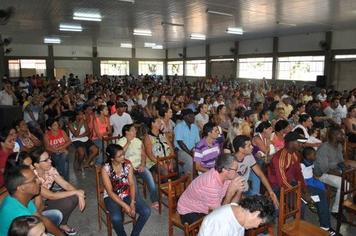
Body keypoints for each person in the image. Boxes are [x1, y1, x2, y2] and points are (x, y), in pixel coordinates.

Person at [30, 147, 85, 235]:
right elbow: (51, 195)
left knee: (74, 198)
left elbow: (65, 184)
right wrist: (77, 192)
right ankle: (49, 226)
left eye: (49, 158)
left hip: (46, 202)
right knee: (70, 197)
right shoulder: (32, 177)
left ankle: (62, 224)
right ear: (36, 164)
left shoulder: (50, 169)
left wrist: (79, 195)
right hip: (36, 209)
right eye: (46, 160)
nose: (50, 161)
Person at [177, 154, 245, 224]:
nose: (237, 173)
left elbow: (232, 205)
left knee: (236, 216)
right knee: (220, 224)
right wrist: (230, 193)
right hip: (189, 211)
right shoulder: (211, 185)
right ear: (225, 170)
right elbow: (219, 215)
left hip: (208, 206)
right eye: (235, 170)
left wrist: (239, 191)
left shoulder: (226, 176)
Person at [101, 144, 151, 236]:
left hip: (127, 193)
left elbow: (131, 183)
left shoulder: (127, 164)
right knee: (116, 218)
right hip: (112, 197)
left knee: (146, 211)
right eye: (119, 156)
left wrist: (132, 202)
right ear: (112, 158)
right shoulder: (106, 169)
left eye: (123, 154)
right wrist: (125, 206)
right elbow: (110, 192)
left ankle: (134, 234)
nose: (123, 157)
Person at [0, 165, 64, 236]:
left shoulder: (20, 198)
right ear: (22, 188)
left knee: (57, 215)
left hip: (28, 229)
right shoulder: (19, 214)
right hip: (26, 231)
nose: (39, 181)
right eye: (34, 180)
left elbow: (40, 217)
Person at [116, 124, 159, 210]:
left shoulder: (138, 141)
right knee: (134, 187)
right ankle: (138, 204)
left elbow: (143, 155)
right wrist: (128, 142)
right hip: (127, 169)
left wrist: (143, 164)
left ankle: (155, 201)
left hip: (139, 166)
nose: (135, 131)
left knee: (150, 179)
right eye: (133, 130)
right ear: (127, 132)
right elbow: (119, 155)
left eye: (135, 130)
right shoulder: (120, 141)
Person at [233, 135, 279, 207]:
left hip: (245, 190)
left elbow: (260, 174)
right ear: (241, 149)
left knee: (264, 202)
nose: (252, 147)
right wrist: (245, 199)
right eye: (249, 146)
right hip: (234, 194)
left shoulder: (249, 156)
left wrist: (271, 192)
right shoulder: (231, 162)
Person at [300, 147, 337, 235]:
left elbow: (312, 172)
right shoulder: (301, 165)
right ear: (308, 156)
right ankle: (314, 204)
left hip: (311, 180)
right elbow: (300, 178)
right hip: (305, 183)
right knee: (320, 193)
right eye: (314, 154)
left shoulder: (311, 162)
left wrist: (317, 178)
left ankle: (318, 206)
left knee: (322, 187)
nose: (315, 156)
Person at [198, 195, 275, 236]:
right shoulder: (221, 227)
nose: (257, 226)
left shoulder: (238, 211)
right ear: (256, 214)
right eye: (260, 223)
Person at [313, 127, 347, 218]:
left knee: (349, 178)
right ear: (334, 136)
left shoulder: (338, 146)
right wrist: (341, 174)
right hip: (321, 174)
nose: (343, 136)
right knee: (343, 184)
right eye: (340, 134)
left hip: (333, 170)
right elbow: (324, 168)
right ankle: (336, 210)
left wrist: (346, 169)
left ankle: (344, 203)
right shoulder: (324, 147)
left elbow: (340, 161)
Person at [174, 109, 200, 176]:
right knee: (190, 160)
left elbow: (197, 142)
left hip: (192, 150)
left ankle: (199, 179)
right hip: (181, 151)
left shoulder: (195, 127)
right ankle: (189, 181)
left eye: (193, 116)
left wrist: (195, 150)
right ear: (185, 117)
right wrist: (190, 153)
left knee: (203, 156)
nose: (193, 118)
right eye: (190, 116)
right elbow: (180, 142)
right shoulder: (179, 126)